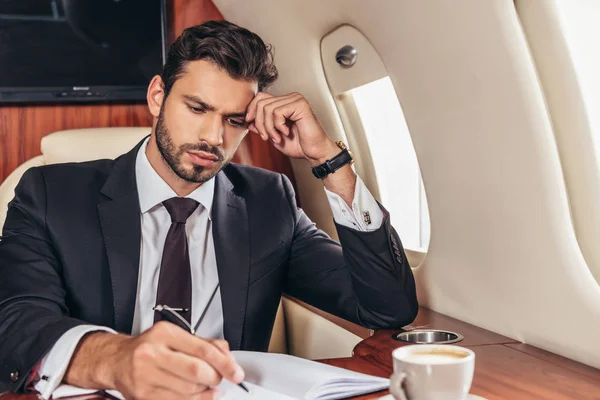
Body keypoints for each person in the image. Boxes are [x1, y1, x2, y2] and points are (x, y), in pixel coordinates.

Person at [0, 20, 417, 399]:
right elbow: (16, 322)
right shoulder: (51, 193)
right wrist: (118, 361)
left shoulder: (269, 201)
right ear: (158, 95)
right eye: (197, 109)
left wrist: (330, 161)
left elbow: (386, 307)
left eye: (235, 120)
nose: (213, 137)